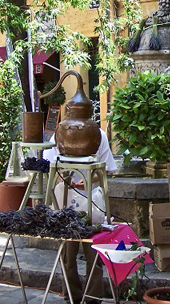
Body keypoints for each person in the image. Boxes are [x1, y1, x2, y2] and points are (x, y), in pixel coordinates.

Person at [43, 129, 117, 304]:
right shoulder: (60, 134)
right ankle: (72, 295)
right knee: (68, 254)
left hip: (92, 201)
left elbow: (108, 169)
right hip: (65, 201)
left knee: (94, 253)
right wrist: (63, 180)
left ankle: (93, 297)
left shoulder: (98, 135)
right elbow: (49, 165)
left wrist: (91, 179)